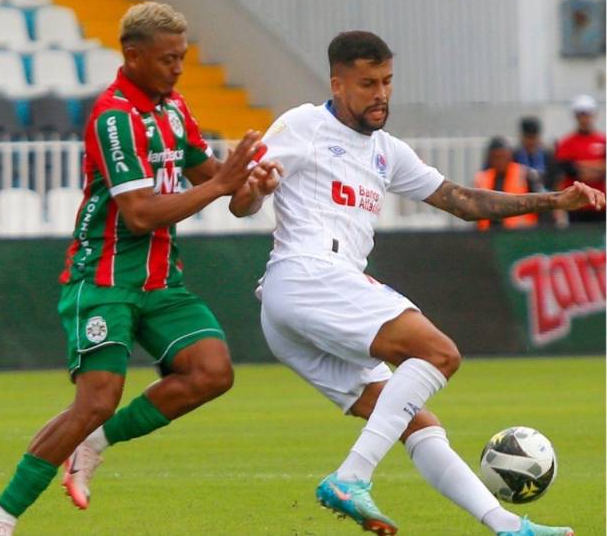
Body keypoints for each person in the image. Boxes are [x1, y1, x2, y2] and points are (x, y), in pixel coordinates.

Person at [231, 31, 603, 536]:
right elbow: (242, 200)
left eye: (386, 81)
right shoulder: (304, 125)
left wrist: (552, 201)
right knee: (439, 353)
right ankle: (351, 476)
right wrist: (254, 191)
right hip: (307, 274)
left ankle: (507, 526)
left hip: (297, 309)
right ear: (338, 84)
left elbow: (463, 202)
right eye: (367, 83)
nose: (381, 93)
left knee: (419, 424)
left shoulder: (386, 152)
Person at [0, 1, 280, 535]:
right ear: (132, 56)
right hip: (104, 277)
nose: (177, 69)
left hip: (160, 280)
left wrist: (253, 187)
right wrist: (222, 184)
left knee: (212, 372)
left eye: (181, 58)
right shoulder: (114, 116)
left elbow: (230, 197)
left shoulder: (174, 108)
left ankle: (93, 442)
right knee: (97, 399)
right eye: (167, 59)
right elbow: (137, 215)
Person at [554, 94, 606, 223]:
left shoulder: (602, 140)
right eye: (581, 114)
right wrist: (597, 166)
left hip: (598, 202)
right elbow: (570, 170)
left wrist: (581, 165)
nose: (584, 118)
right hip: (575, 203)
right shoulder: (567, 143)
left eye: (587, 114)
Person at [474, 136, 541, 230]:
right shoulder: (482, 178)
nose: (499, 161)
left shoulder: (525, 175)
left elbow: (541, 206)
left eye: (502, 156)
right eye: (495, 157)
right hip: (488, 235)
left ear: (509, 156)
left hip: (521, 234)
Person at [513, 116, 556, 190]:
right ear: (522, 137)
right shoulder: (513, 156)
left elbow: (554, 178)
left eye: (533, 137)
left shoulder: (548, 155)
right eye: (528, 137)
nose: (531, 142)